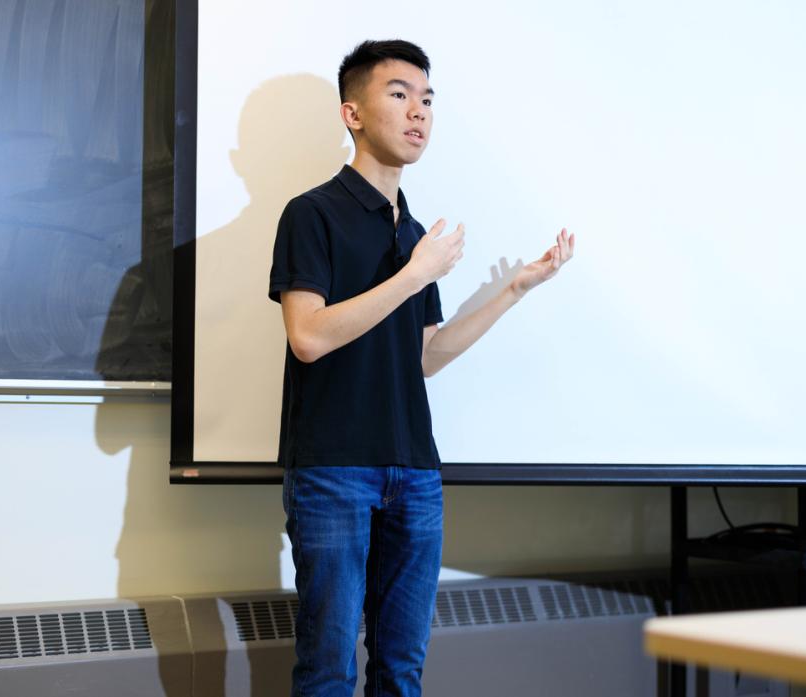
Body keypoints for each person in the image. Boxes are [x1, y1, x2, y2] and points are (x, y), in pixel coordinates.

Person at [268, 39, 574, 697]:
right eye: (399, 94)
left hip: (415, 471)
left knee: (401, 672)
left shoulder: (414, 237)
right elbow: (308, 336)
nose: (418, 113)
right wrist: (414, 276)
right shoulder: (312, 214)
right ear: (352, 113)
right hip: (333, 469)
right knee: (327, 670)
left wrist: (512, 289)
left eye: (428, 99)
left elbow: (424, 356)